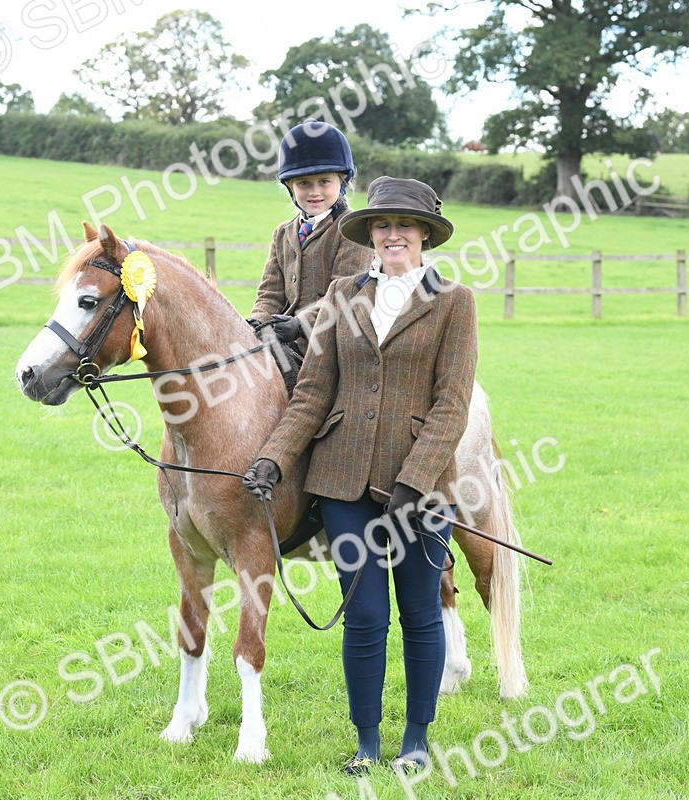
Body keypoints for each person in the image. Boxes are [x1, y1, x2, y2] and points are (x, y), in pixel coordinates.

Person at [242, 177, 478, 776]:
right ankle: (367, 743)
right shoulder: (344, 294)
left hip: (419, 493)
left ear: (424, 234)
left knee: (420, 613)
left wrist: (414, 481)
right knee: (366, 616)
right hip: (343, 484)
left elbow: (453, 403)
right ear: (370, 233)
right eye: (381, 225)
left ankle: (416, 740)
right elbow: (313, 394)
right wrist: (273, 457)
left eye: (403, 225)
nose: (392, 235)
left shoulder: (455, 302)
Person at [247, 119, 372, 351]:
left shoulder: (353, 230)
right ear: (290, 186)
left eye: (324, 181)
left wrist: (301, 324)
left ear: (342, 181)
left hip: (333, 343)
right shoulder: (283, 233)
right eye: (304, 183)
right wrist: (257, 322)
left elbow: (345, 295)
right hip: (286, 340)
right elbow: (270, 293)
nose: (314, 192)